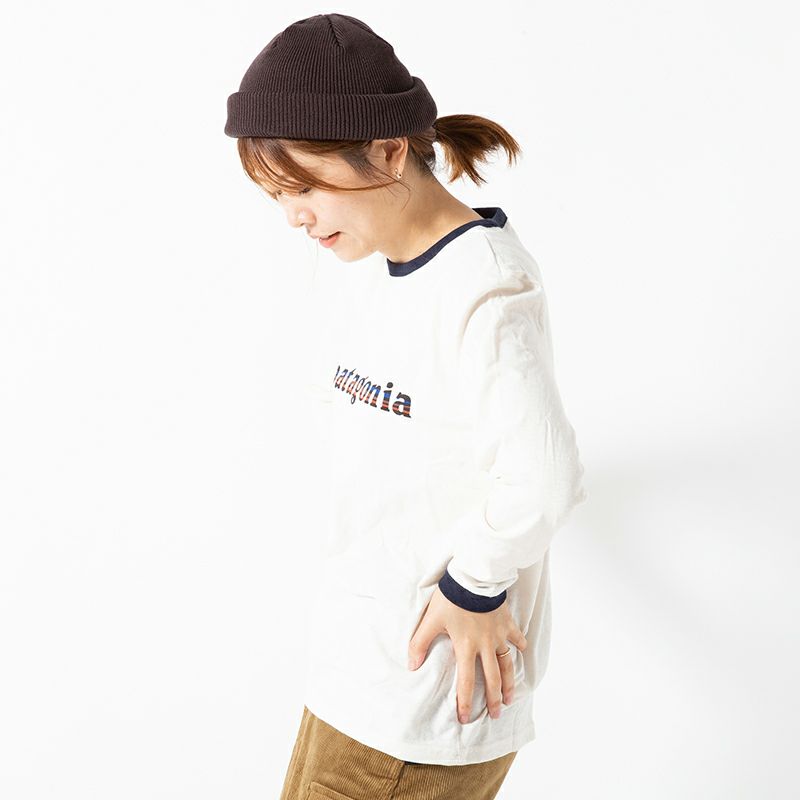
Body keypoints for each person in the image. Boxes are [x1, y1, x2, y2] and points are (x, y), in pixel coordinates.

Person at [224, 13, 588, 800]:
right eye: (277, 194)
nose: (292, 215)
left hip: (424, 703)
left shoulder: (485, 283)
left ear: (389, 151)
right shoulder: (373, 270)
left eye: (303, 187)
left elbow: (545, 474)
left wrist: (475, 584)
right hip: (357, 676)